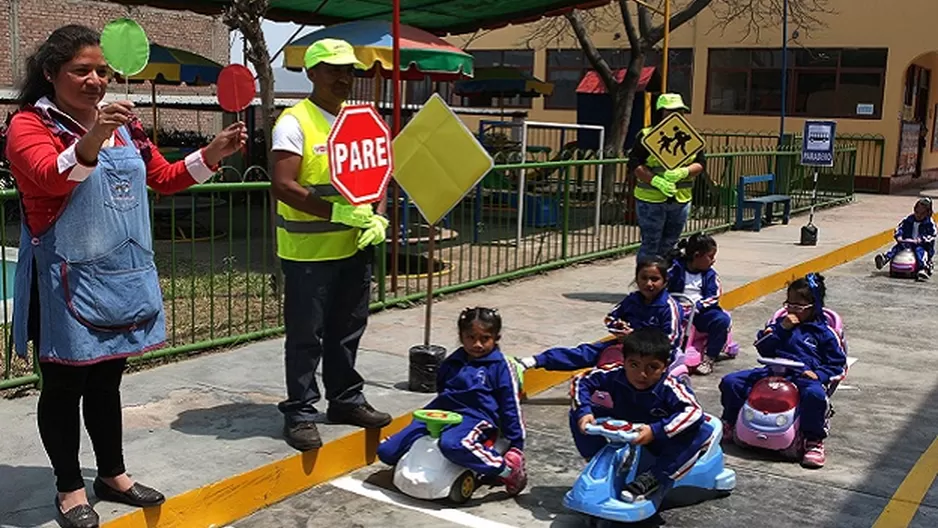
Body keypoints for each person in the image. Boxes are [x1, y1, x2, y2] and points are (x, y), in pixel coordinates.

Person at [2, 25, 246, 528]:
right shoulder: (29, 125)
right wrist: (92, 134)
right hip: (64, 284)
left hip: (122, 276)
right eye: (81, 71)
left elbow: (165, 179)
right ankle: (69, 487)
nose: (95, 80)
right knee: (65, 386)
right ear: (51, 73)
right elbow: (51, 176)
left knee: (108, 380)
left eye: (102, 71)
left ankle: (112, 474)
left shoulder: (127, 127)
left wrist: (213, 154)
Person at [270, 38, 392, 452]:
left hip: (355, 248)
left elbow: (377, 174)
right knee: (306, 337)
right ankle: (301, 412)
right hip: (308, 254)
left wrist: (377, 213)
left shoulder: (361, 118)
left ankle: (345, 400)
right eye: (334, 70)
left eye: (349, 70)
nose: (344, 78)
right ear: (312, 73)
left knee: (347, 331)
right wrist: (337, 214)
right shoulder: (294, 121)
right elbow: (284, 185)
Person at [376, 307, 528, 496]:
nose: (477, 344)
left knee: (452, 445)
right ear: (461, 336)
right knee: (386, 450)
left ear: (496, 337)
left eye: (485, 338)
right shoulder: (452, 362)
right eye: (471, 337)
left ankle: (506, 470)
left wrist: (516, 445)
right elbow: (442, 389)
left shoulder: (500, 367)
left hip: (475, 417)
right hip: (441, 413)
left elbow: (510, 404)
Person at [570, 327, 712, 503]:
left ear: (665, 366)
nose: (641, 374)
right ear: (624, 361)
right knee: (578, 413)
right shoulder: (615, 374)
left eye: (652, 367)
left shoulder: (670, 387)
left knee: (697, 431)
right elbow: (581, 380)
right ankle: (596, 458)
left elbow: (693, 411)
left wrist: (656, 430)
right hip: (629, 425)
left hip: (660, 436)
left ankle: (656, 476)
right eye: (634, 365)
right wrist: (584, 411)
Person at [719, 273, 846, 468]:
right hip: (772, 371)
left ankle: (813, 440)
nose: (792, 310)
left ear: (815, 306)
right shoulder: (780, 326)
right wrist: (782, 329)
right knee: (731, 382)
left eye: (799, 307)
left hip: (803, 376)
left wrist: (819, 374)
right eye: (789, 305)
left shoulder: (824, 334)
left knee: (814, 395)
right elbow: (762, 346)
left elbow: (838, 364)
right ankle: (730, 421)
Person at [515, 256, 682, 373]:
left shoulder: (668, 307)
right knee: (586, 352)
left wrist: (636, 337)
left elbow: (671, 341)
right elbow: (611, 317)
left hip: (653, 355)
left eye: (655, 279)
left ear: (665, 281)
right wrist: (619, 327)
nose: (648, 283)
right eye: (643, 278)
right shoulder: (632, 300)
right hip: (626, 345)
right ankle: (535, 361)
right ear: (636, 279)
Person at [628, 94, 706, 261]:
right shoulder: (646, 135)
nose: (675, 115)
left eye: (679, 111)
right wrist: (656, 181)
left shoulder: (690, 137)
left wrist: (683, 172)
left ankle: (665, 282)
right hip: (650, 201)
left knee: (670, 245)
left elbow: (701, 163)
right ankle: (647, 283)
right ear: (661, 112)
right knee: (650, 244)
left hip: (680, 200)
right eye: (671, 111)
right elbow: (634, 164)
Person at [667, 233, 732, 375]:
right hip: (676, 311)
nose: (713, 261)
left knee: (721, 320)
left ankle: (710, 357)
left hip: (700, 312)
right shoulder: (674, 269)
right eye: (710, 256)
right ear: (697, 255)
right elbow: (663, 288)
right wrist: (673, 305)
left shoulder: (710, 275)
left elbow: (714, 296)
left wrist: (698, 307)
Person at [874, 197, 935, 281]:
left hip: (921, 245)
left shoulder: (929, 223)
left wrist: (921, 239)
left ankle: (923, 268)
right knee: (897, 248)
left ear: (927, 213)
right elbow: (900, 227)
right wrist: (899, 236)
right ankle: (885, 259)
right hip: (907, 242)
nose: (918, 215)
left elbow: (932, 234)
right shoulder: (909, 219)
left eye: (922, 213)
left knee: (920, 252)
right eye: (917, 212)